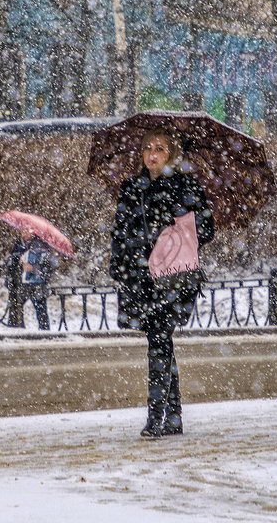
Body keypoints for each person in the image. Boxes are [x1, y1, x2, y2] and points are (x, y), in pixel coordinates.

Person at [109, 129, 214, 438]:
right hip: (141, 276)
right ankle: (175, 415)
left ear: (171, 155)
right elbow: (119, 230)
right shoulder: (132, 188)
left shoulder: (185, 186)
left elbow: (205, 230)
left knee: (159, 339)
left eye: (160, 148)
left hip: (173, 278)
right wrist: (120, 264)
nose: (151, 153)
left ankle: (156, 416)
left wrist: (176, 221)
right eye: (147, 148)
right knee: (160, 342)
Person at [4, 227, 58, 330]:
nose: (24, 232)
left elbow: (50, 267)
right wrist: (16, 263)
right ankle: (15, 331)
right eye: (23, 229)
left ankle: (44, 334)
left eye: (28, 229)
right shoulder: (17, 245)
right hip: (19, 283)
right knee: (15, 310)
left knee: (41, 310)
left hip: (36, 284)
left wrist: (34, 268)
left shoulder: (42, 246)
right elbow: (10, 264)